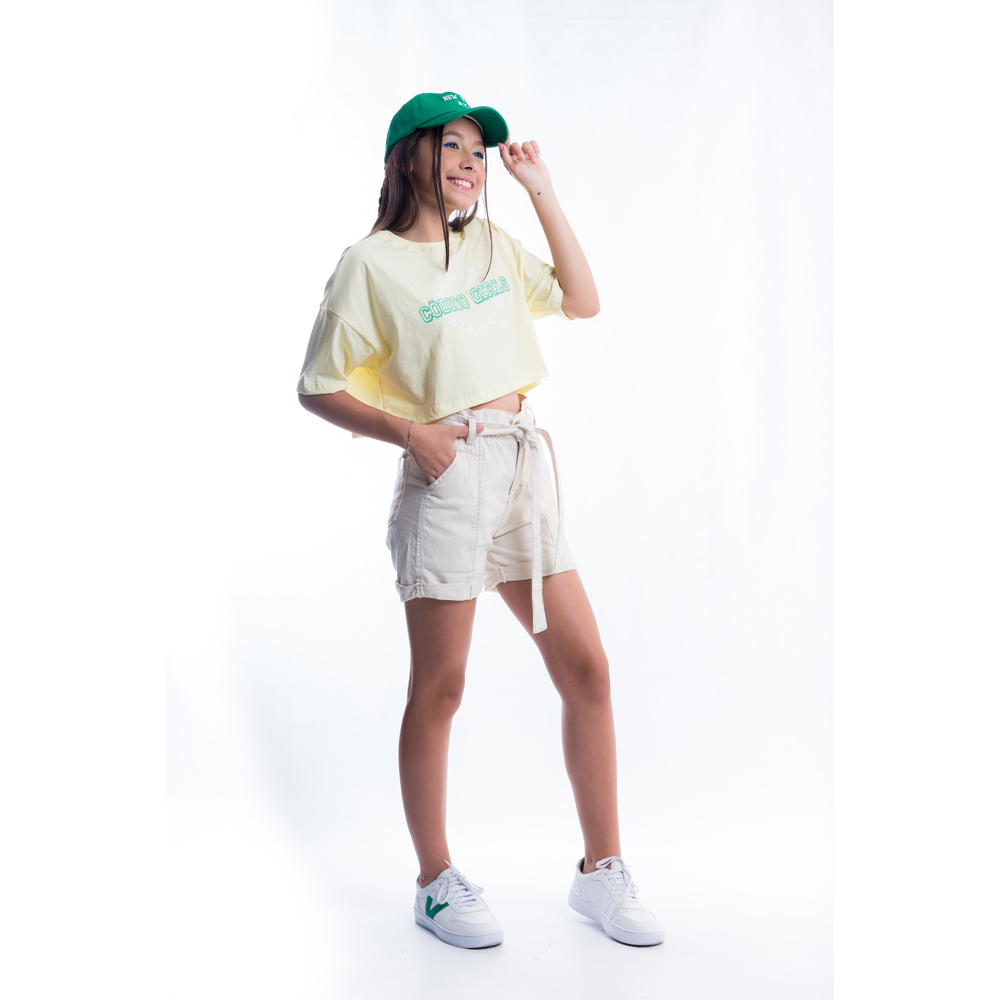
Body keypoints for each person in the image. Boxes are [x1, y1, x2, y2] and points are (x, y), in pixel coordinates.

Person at [297, 91, 663, 949]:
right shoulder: (370, 265)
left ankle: (599, 870)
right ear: (408, 157)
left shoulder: (491, 243)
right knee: (443, 686)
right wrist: (412, 434)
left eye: (477, 150)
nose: (469, 161)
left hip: (522, 468)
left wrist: (540, 190)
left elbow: (582, 300)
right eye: (451, 145)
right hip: (448, 473)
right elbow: (316, 384)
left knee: (588, 670)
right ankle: (434, 882)